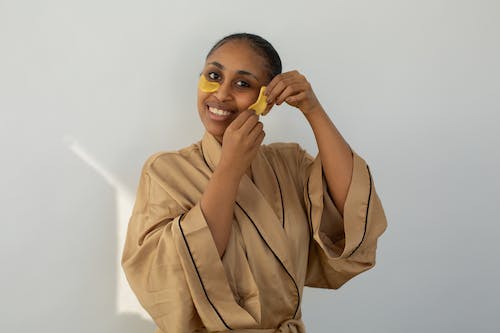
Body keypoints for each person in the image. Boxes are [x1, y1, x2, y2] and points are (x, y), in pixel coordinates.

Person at [121, 33, 387, 333]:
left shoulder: (289, 163)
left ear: (267, 101)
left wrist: (313, 110)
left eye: (243, 83)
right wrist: (230, 168)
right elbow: (169, 275)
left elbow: (351, 211)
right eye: (213, 76)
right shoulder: (165, 172)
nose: (221, 93)